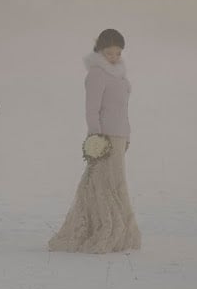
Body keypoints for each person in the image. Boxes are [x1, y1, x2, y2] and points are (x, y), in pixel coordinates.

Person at [48, 28, 141, 253]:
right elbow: (92, 110)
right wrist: (96, 138)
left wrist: (127, 136)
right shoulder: (97, 74)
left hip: (119, 136)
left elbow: (123, 110)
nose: (114, 57)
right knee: (100, 183)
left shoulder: (120, 75)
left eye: (118, 53)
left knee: (116, 183)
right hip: (104, 137)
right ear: (100, 51)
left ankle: (121, 233)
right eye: (110, 53)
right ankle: (98, 229)